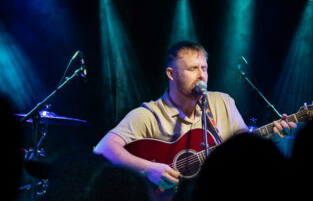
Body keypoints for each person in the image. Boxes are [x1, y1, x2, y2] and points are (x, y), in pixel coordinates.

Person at [94, 40, 296, 190]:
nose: (201, 76)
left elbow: (243, 153)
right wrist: (148, 169)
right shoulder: (150, 114)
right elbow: (103, 148)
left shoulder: (223, 102)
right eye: (193, 69)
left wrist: (271, 137)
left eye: (204, 69)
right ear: (171, 74)